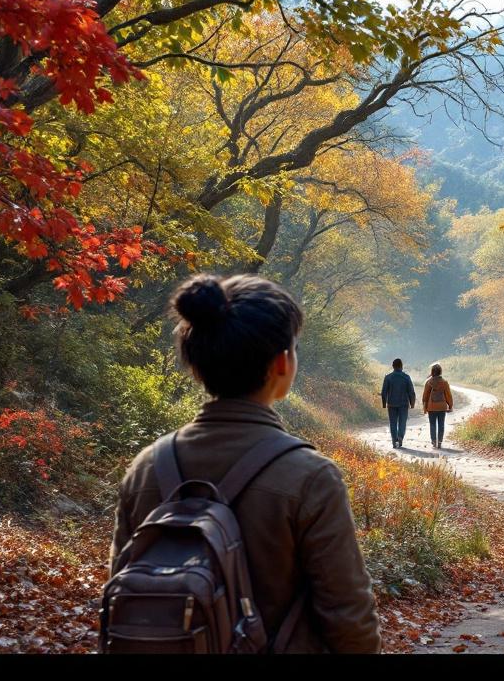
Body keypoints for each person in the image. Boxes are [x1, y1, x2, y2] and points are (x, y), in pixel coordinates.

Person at [108, 273, 381, 653]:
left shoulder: (146, 468)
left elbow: (119, 593)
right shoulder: (311, 476)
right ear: (282, 363)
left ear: (197, 366)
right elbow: (348, 617)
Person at [380, 358, 415, 449]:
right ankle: (400, 437)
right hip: (403, 404)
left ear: (393, 366)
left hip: (391, 404)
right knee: (402, 422)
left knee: (393, 423)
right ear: (401, 366)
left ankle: (394, 440)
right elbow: (411, 392)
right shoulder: (406, 377)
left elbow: (384, 392)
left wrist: (384, 404)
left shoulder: (388, 377)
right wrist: (412, 403)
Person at [421, 362, 454, 449]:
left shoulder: (428, 382)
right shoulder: (444, 382)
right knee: (441, 424)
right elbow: (448, 395)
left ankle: (433, 441)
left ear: (432, 372)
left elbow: (425, 396)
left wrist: (425, 407)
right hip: (442, 407)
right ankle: (439, 441)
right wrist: (450, 405)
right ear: (440, 372)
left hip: (431, 407)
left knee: (432, 424)